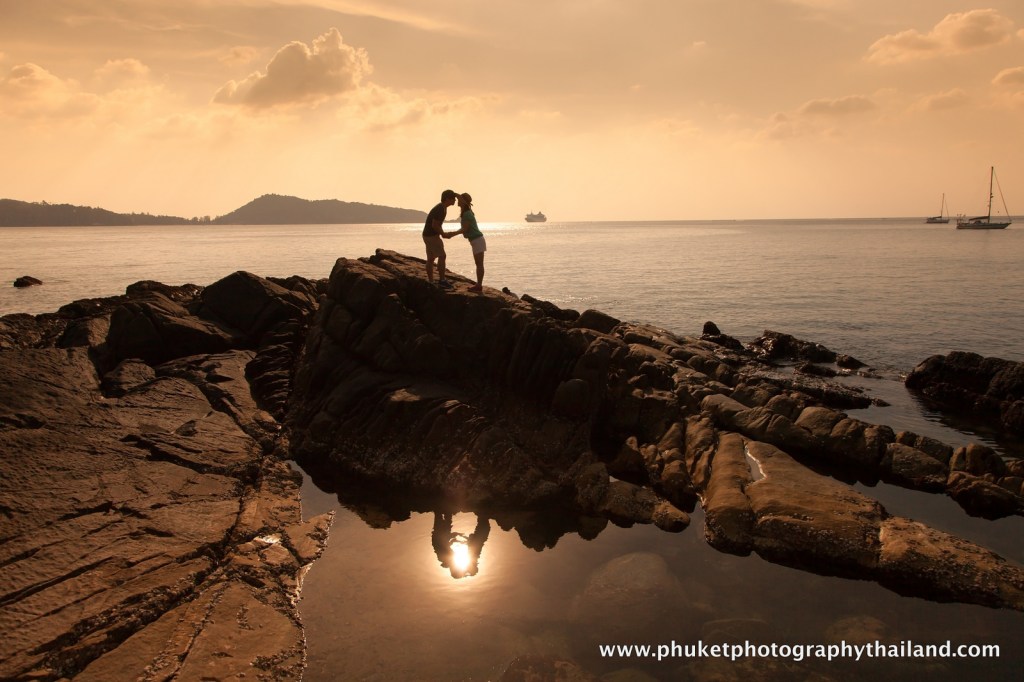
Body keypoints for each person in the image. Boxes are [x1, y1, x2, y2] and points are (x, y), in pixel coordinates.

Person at [443, 192, 486, 292]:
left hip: (477, 240)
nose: (457, 201)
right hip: (476, 240)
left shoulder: (467, 213)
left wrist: (451, 234)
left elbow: (464, 229)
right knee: (479, 264)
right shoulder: (466, 211)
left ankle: (479, 286)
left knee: (479, 264)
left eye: (459, 200)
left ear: (463, 201)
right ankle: (478, 285)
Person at [423, 189, 457, 288]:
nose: (455, 200)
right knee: (442, 256)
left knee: (430, 258)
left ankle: (431, 281)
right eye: (453, 199)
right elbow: (435, 225)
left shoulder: (441, 207)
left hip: (427, 235)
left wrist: (442, 233)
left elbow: (437, 224)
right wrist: (443, 234)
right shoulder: (440, 209)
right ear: (447, 199)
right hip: (431, 236)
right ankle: (442, 280)